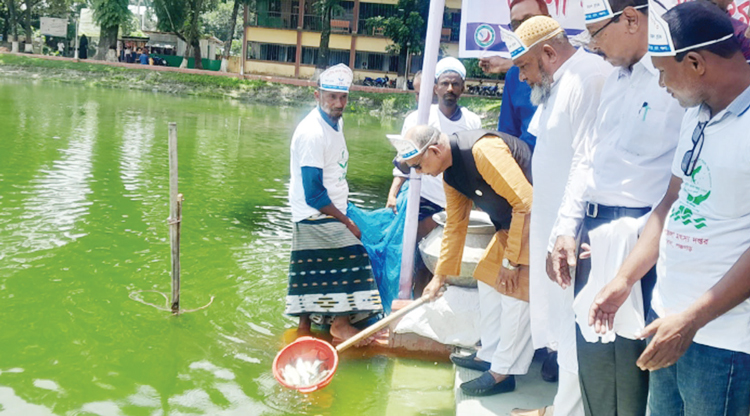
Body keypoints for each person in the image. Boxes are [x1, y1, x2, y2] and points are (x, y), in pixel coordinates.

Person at [589, 2, 750, 414]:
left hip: (725, 341)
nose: (660, 85)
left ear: (695, 63)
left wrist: (693, 320)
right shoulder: (696, 115)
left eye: (662, 72)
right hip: (667, 319)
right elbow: (671, 203)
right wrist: (625, 278)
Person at [543, 0, 683, 414]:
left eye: (597, 34)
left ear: (631, 20)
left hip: (642, 241)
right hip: (592, 236)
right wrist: (565, 228)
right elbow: (588, 160)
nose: (593, 46)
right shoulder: (614, 81)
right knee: (595, 363)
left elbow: (678, 182)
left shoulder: (672, 80)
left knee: (638, 370)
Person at [504, 15, 612, 416]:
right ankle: (561, 406)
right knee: (563, 323)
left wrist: (566, 228)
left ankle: (567, 410)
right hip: (554, 226)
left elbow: (587, 161)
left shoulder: (587, 78)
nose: (522, 77)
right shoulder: (556, 83)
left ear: (548, 53)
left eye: (525, 67)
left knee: (575, 323)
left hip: (575, 230)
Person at [393, 125, 534, 397]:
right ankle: (490, 354)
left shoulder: (483, 150)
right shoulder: (451, 176)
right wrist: (439, 277)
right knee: (488, 278)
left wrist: (513, 264)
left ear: (434, 150)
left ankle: (503, 372)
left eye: (419, 166)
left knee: (514, 291)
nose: (420, 173)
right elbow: (455, 226)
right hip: (510, 227)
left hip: (535, 223)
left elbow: (527, 203)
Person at [285, 64, 383, 343]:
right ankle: (339, 324)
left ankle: (306, 326)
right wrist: (347, 222)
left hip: (329, 206)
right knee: (355, 253)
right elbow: (314, 193)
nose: (338, 104)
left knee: (311, 268)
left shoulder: (335, 122)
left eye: (343, 97)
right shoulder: (312, 133)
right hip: (314, 211)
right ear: (317, 96)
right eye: (332, 97)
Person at [386, 57, 481, 241]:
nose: (450, 89)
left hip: (458, 200)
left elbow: (474, 166)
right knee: (418, 253)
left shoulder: (472, 121)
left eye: (455, 84)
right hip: (424, 198)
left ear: (463, 87)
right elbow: (404, 162)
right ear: (435, 87)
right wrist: (392, 194)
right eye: (445, 83)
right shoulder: (417, 119)